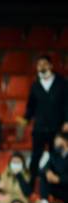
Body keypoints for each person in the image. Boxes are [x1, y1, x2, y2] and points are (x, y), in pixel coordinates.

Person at [18, 55, 68, 188]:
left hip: (56, 128)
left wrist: (67, 121)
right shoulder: (35, 85)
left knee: (56, 157)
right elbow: (31, 106)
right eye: (39, 65)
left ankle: (56, 186)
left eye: (44, 64)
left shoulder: (62, 83)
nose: (41, 67)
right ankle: (31, 185)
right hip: (39, 128)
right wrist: (25, 119)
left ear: (50, 66)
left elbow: (66, 104)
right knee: (35, 157)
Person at [40, 132, 68, 203]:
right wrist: (47, 171)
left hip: (65, 185)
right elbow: (44, 167)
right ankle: (44, 201)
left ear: (65, 141)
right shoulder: (54, 154)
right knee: (43, 175)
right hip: (56, 187)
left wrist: (59, 179)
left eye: (57, 139)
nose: (55, 142)